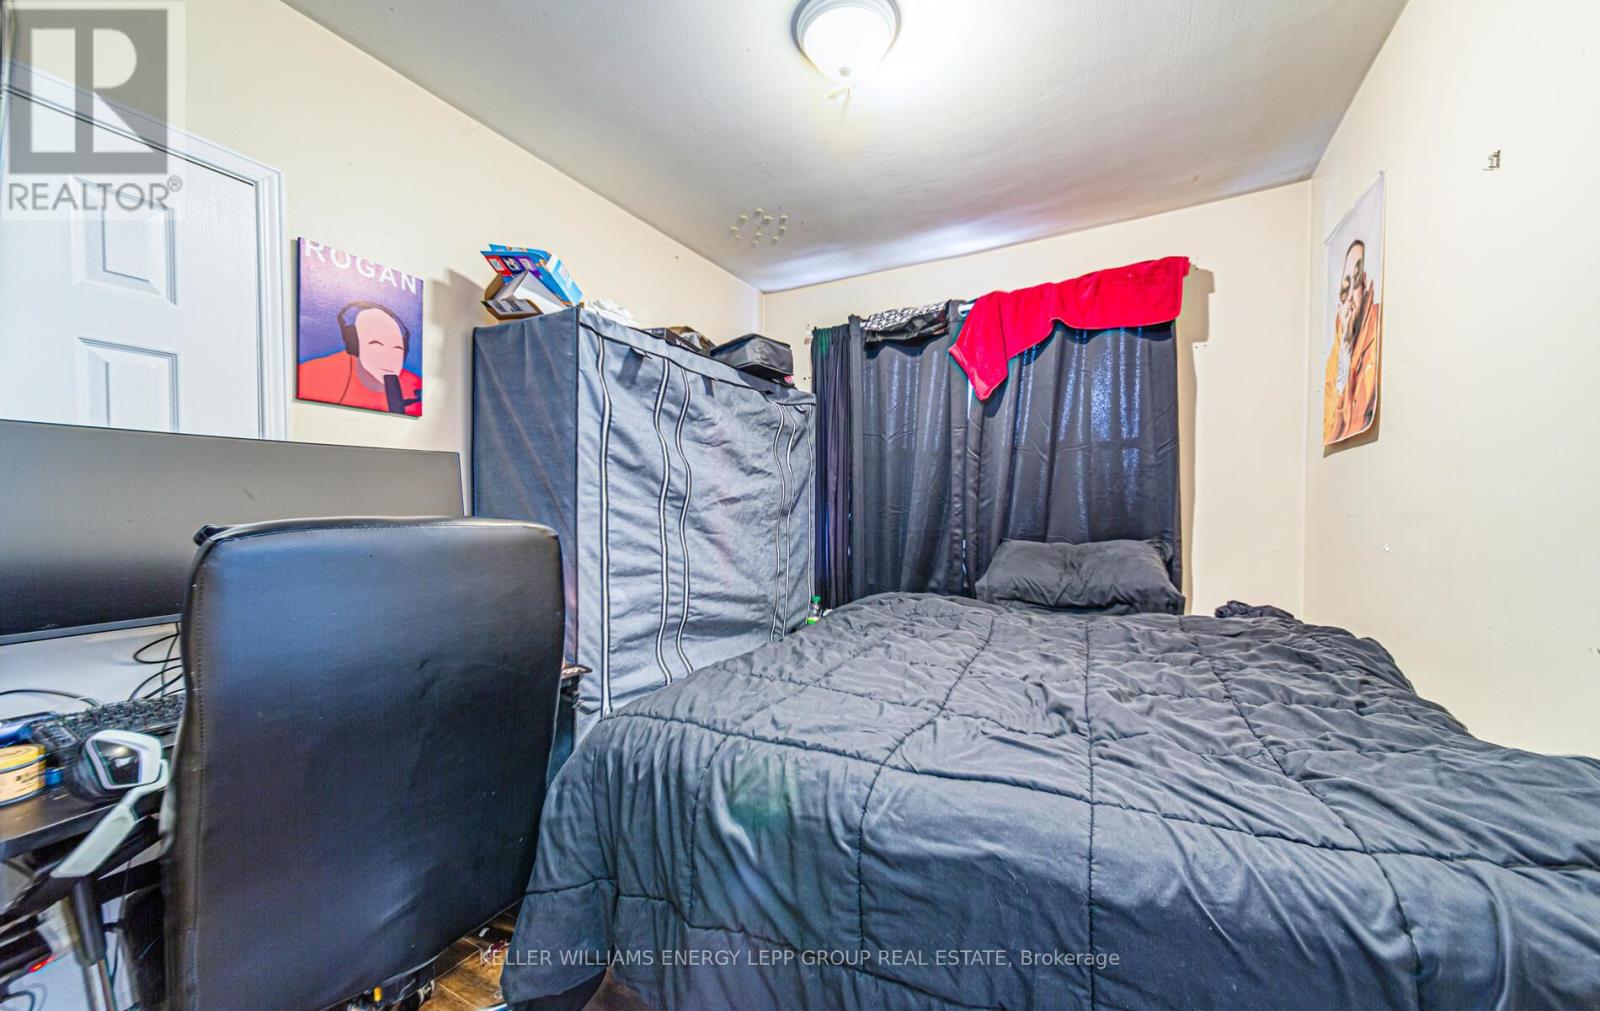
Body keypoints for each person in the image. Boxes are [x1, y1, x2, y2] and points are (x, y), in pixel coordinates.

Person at [297, 301, 422, 416]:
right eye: (376, 344)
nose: (389, 357)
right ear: (354, 345)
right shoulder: (314, 374)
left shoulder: (416, 387)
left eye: (397, 348)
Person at [1322, 239, 1381, 443]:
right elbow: (1331, 428)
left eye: (1356, 281)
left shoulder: (1375, 324)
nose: (1350, 298)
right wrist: (1345, 351)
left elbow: (1359, 412)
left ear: (1364, 282)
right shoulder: (1337, 352)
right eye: (1345, 288)